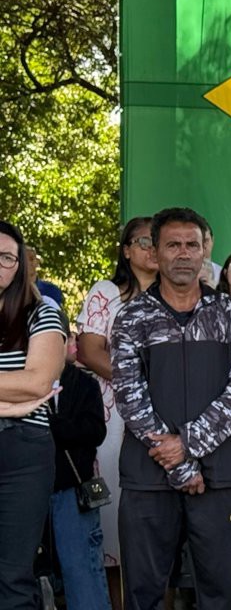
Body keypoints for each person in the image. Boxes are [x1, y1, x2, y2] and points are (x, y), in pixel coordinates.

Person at [110, 207, 231, 609]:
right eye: (173, 245)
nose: (183, 253)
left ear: (204, 251)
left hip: (220, 476)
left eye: (192, 245)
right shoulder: (132, 317)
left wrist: (187, 446)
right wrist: (179, 464)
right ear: (155, 253)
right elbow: (129, 394)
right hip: (148, 478)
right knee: (144, 594)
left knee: (217, 594)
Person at [75, 216, 157, 586]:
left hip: (166, 414)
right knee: (112, 513)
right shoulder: (106, 292)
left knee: (156, 525)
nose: (153, 248)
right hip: (113, 413)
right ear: (126, 250)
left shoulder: (181, 294)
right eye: (143, 241)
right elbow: (90, 352)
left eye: (159, 240)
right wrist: (138, 385)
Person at [0, 220, 67, 607]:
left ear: (20, 266)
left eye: (7, 257)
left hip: (23, 454)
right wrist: (13, 397)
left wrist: (25, 395)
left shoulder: (43, 314)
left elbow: (39, 383)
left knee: (12, 577)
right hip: (22, 424)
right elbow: (24, 384)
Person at [48, 360, 111, 610]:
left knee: (82, 569)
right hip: (28, 488)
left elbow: (96, 432)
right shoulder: (22, 380)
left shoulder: (85, 383)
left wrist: (55, 426)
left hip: (73, 488)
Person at [26, 244, 65, 311]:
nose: (28, 262)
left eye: (31, 259)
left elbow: (57, 317)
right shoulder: (10, 289)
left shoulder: (52, 290)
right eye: (24, 259)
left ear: (37, 262)